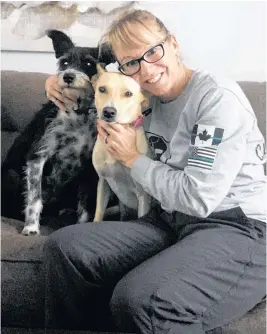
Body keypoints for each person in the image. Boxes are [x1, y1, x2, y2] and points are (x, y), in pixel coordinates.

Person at [43, 9, 266, 333]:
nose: (146, 68)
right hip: (170, 219)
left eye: (152, 52)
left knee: (141, 299)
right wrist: (54, 81)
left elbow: (198, 197)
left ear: (173, 44)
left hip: (238, 226)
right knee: (65, 249)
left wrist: (133, 158)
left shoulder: (215, 99)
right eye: (132, 62)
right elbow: (98, 82)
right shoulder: (144, 98)